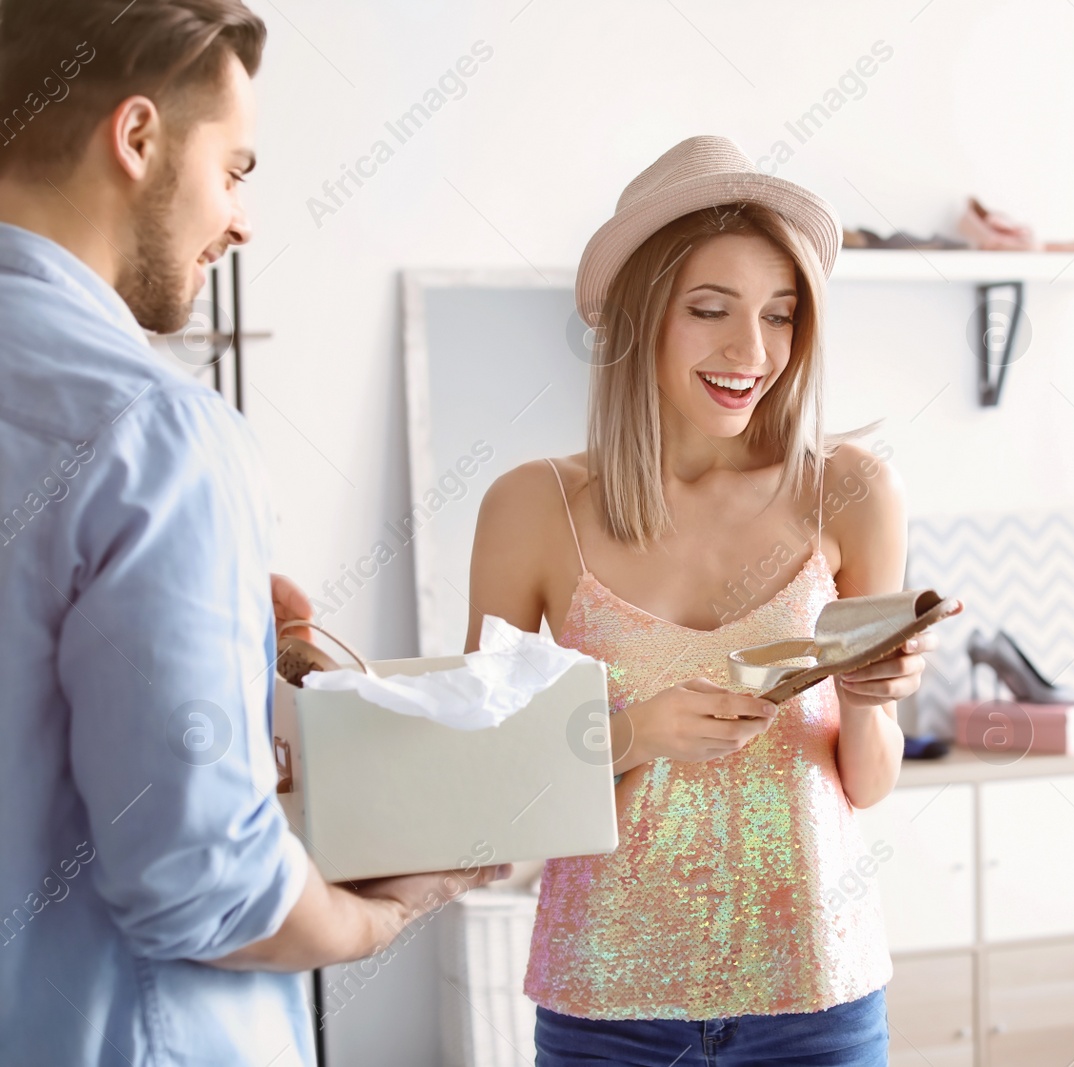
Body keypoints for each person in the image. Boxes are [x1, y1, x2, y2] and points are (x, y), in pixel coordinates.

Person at [0, 3, 504, 1064]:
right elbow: (203, 889)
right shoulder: (156, 434)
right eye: (235, 170)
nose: (243, 222)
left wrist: (208, 642)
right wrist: (385, 910)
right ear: (137, 140)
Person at [466, 136, 932, 1067]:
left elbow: (868, 783)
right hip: (605, 1005)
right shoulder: (532, 508)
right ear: (639, 320)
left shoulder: (851, 489)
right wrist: (634, 736)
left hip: (818, 995)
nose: (750, 352)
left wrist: (875, 696)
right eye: (710, 309)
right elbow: (489, 796)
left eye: (781, 314)